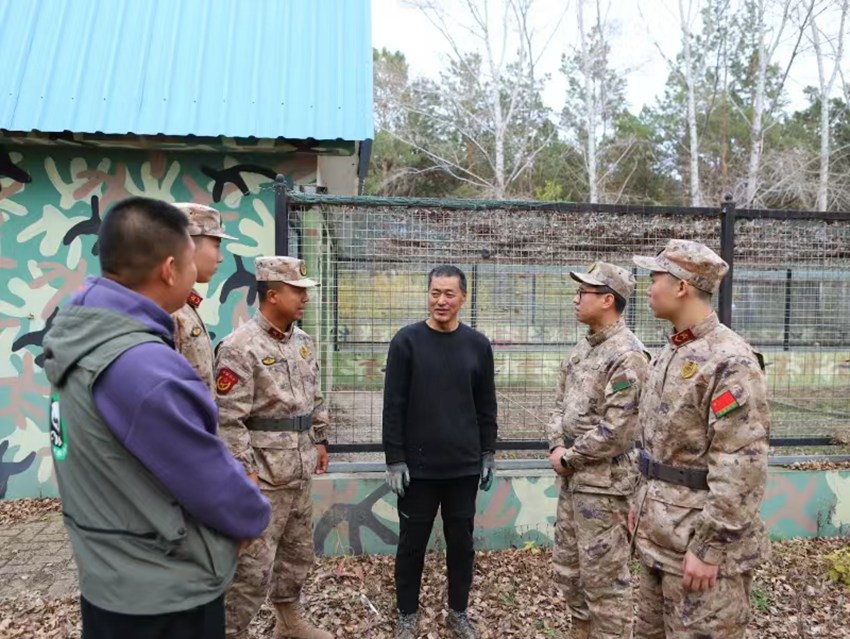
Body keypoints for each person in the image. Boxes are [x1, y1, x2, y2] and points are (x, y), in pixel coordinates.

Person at [42, 196, 271, 639]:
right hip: (164, 595)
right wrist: (250, 515)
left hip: (112, 576)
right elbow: (205, 477)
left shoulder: (81, 337)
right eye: (190, 259)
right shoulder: (143, 368)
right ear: (170, 269)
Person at [630, 240, 770, 638]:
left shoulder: (730, 361)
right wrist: (641, 505)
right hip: (660, 538)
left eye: (655, 277)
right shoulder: (672, 351)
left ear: (682, 287)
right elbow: (658, 449)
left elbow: (741, 465)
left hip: (700, 549)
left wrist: (710, 548)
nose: (649, 287)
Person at [215, 256, 332, 639]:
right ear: (272, 295)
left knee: (297, 557)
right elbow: (228, 420)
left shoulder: (303, 342)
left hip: (297, 471)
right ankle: (232, 631)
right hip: (262, 477)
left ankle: (288, 621)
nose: (305, 298)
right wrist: (244, 471)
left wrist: (320, 437)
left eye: (305, 291)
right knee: (252, 569)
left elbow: (315, 396)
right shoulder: (239, 348)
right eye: (297, 291)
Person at [382, 265, 498, 639]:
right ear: (427, 294)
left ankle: (458, 612)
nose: (441, 301)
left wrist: (487, 452)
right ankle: (407, 614)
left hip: (463, 467)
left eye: (449, 293)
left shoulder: (478, 345)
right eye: (435, 292)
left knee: (461, 545)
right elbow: (393, 405)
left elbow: (486, 404)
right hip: (417, 469)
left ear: (463, 297)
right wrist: (395, 458)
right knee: (411, 545)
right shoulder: (407, 342)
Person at [547, 262, 649, 639]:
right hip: (573, 482)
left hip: (605, 489)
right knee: (571, 573)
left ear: (608, 300)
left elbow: (619, 429)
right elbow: (557, 405)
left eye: (583, 293)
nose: (575, 299)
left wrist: (569, 457)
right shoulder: (583, 349)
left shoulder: (628, 355)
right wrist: (557, 444)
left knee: (605, 582)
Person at [171, 202, 235, 391]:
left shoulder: (185, 305)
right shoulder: (168, 310)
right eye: (216, 245)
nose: (221, 257)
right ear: (188, 245)